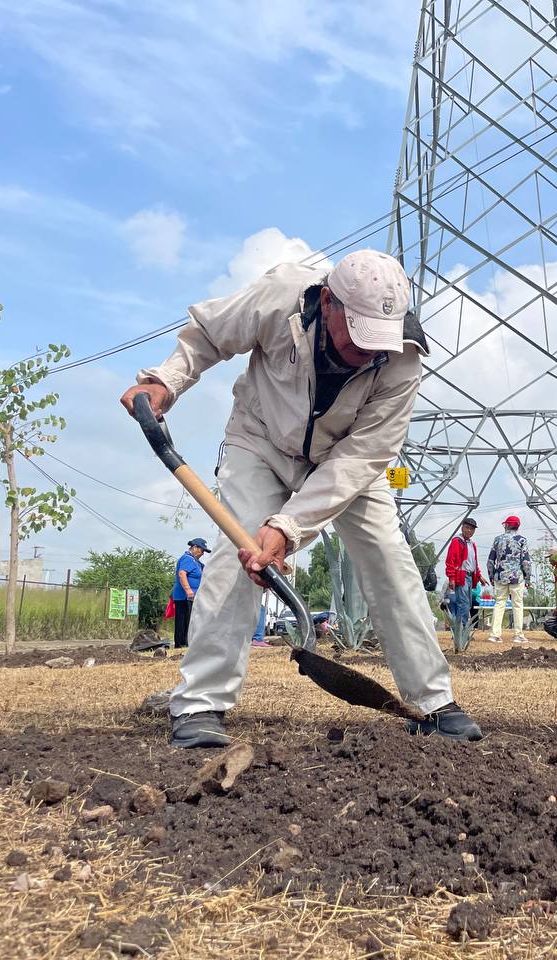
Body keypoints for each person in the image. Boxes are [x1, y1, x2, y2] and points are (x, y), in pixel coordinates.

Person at [120, 249, 482, 747]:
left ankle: (432, 701)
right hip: (261, 439)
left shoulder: (403, 359)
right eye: (356, 336)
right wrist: (166, 380)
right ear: (328, 302)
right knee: (236, 557)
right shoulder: (280, 296)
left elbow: (363, 457)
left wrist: (289, 528)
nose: (366, 352)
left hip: (345, 459)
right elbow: (209, 333)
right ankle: (200, 704)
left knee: (390, 561)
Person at [487, 516, 531, 643]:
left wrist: (491, 576)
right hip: (517, 577)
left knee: (499, 603)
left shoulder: (497, 539)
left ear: (506, 525)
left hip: (500, 576)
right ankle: (518, 635)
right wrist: (527, 579)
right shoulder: (522, 540)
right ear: (518, 526)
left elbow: (490, 561)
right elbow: (526, 562)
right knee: (517, 604)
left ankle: (494, 634)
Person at [443, 518, 484, 650]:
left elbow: (473, 563)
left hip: (469, 577)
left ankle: (462, 631)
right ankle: (461, 633)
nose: (469, 530)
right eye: (467, 527)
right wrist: (452, 578)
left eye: (472, 529)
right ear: (462, 527)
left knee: (468, 604)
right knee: (463, 605)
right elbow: (451, 560)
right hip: (461, 576)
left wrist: (479, 576)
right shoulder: (457, 541)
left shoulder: (472, 544)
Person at [171, 538, 209, 649]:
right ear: (195, 547)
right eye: (202, 550)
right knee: (184, 621)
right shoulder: (187, 559)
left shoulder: (196, 562)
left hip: (191, 597)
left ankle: (187, 643)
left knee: (189, 620)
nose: (202, 553)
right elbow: (182, 574)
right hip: (185, 597)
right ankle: (182, 644)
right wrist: (188, 590)